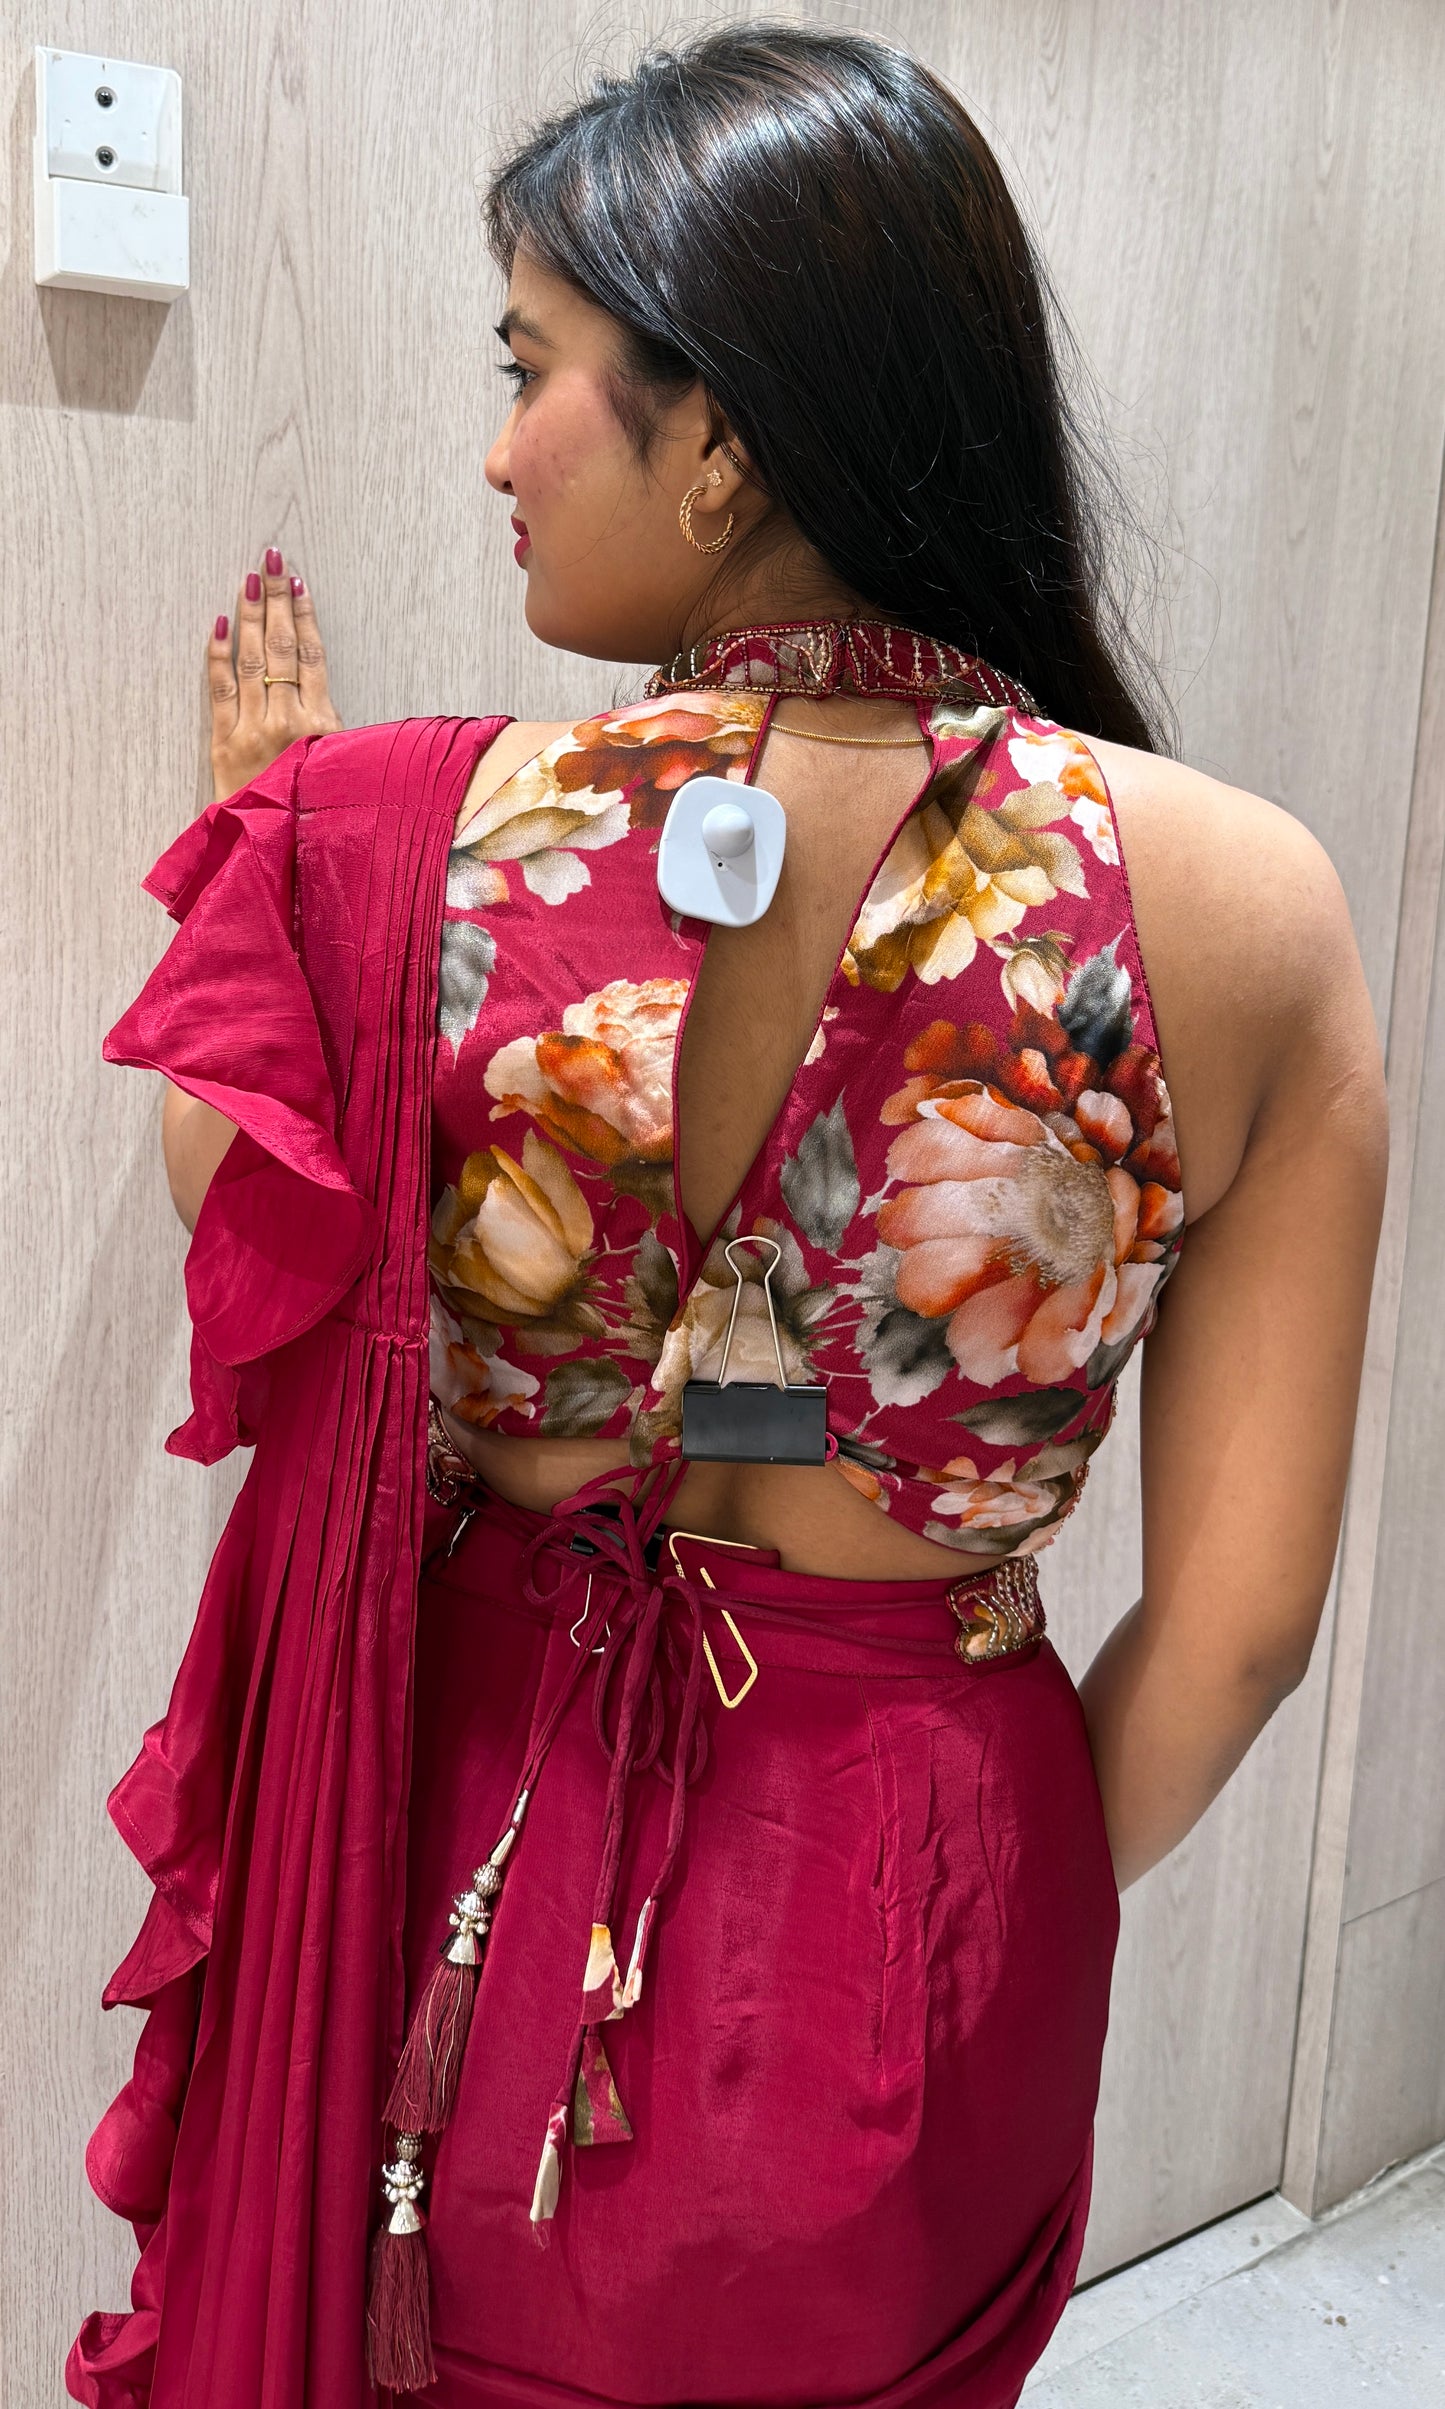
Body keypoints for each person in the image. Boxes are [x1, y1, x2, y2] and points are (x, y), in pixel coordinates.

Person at [70, 25, 1386, 2409]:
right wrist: (967, 1882)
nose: (495, 445)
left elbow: (246, 1227)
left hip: (456, 1869)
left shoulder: (395, 834)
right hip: (925, 1922)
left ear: (729, 438)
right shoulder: (1250, 904)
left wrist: (279, 849)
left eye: (535, 364)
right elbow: (1253, 1622)